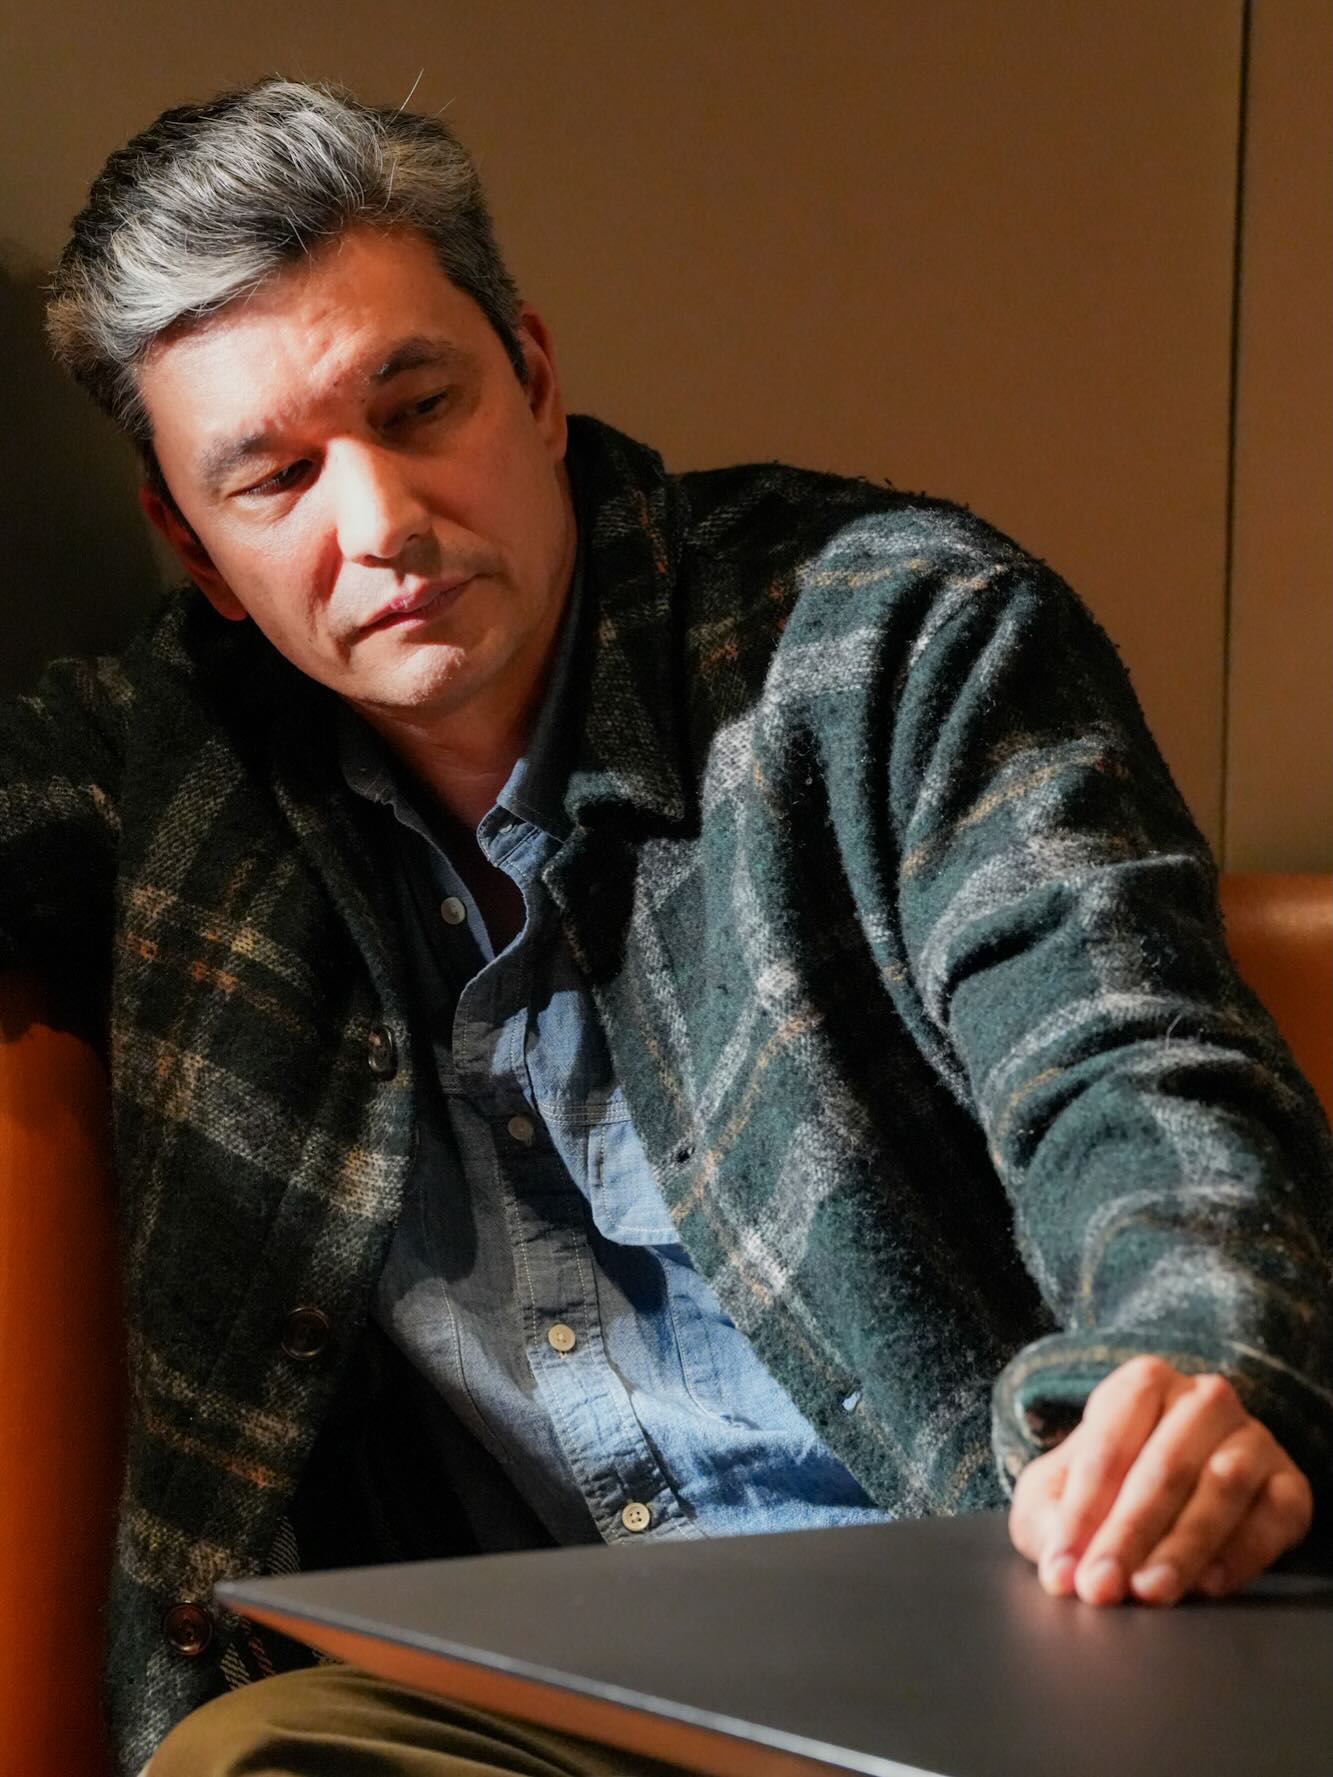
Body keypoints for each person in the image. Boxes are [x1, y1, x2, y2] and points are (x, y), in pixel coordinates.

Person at [5, 76, 1329, 1777]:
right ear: (189, 543)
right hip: (546, 1719)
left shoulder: (888, 636)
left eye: (420, 407)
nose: (380, 522)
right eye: (273, 479)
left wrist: (1186, 1358)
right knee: (248, 1759)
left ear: (535, 378)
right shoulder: (170, 761)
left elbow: (1130, 1065)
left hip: (1009, 1631)